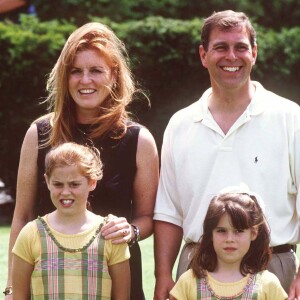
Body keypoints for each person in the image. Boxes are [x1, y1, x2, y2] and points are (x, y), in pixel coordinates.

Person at [5, 22, 159, 299]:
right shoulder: (39, 133)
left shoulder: (139, 140)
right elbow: (23, 216)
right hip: (50, 283)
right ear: (65, 77)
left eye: (96, 71)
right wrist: (13, 285)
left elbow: (147, 218)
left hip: (117, 283)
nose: (85, 80)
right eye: (76, 71)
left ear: (113, 76)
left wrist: (131, 230)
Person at [153, 9, 300, 300]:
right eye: (220, 47)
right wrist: (162, 275)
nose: (231, 56)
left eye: (241, 47)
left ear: (254, 53)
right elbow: (168, 212)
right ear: (203, 55)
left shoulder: (289, 117)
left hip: (272, 267)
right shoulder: (180, 124)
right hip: (196, 269)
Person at [11, 142, 131, 299]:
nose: (65, 192)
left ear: (92, 182)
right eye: (58, 184)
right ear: (47, 181)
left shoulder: (109, 234)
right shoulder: (30, 234)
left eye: (74, 184)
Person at [170, 187, 288, 300]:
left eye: (238, 231)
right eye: (222, 231)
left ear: (253, 233)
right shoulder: (188, 282)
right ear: (210, 234)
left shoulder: (268, 284)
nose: (229, 239)